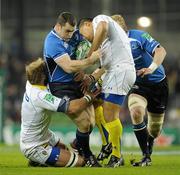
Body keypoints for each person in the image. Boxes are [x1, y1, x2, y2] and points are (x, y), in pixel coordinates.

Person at [43, 12, 102, 167]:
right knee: (83, 122)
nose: (70, 34)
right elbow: (68, 66)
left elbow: (84, 49)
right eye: (67, 31)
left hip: (76, 83)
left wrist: (82, 70)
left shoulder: (74, 35)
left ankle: (78, 144)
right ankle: (87, 156)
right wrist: (90, 61)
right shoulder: (52, 42)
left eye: (72, 31)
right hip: (60, 87)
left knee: (91, 122)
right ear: (58, 27)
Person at [78, 15, 136, 167]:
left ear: (87, 24)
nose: (86, 39)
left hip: (120, 72)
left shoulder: (100, 20)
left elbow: (102, 27)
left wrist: (91, 53)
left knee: (110, 114)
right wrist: (91, 77)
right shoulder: (106, 42)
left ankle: (117, 156)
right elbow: (106, 65)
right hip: (113, 72)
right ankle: (107, 145)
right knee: (96, 103)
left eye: (84, 34)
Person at [20, 58, 101, 167]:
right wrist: (88, 97)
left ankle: (41, 160)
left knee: (65, 149)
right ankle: (37, 158)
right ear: (43, 77)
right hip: (33, 146)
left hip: (45, 135)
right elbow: (72, 108)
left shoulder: (31, 83)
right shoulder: (40, 96)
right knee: (80, 162)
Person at [111, 14, 169, 166]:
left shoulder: (138, 36)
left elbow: (161, 51)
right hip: (139, 86)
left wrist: (151, 68)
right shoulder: (112, 45)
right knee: (136, 113)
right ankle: (146, 156)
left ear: (123, 29)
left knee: (155, 130)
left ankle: (150, 143)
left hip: (158, 84)